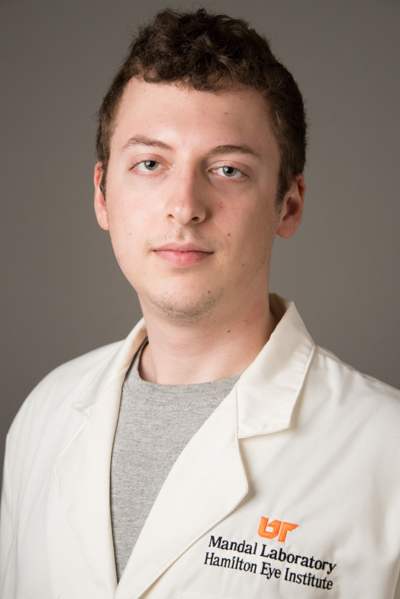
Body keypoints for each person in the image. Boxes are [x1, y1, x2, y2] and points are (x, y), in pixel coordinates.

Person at [1, 7, 400, 598]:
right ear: (103, 195)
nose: (185, 205)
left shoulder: (387, 452)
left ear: (288, 205)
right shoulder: (44, 415)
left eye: (228, 169)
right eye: (150, 163)